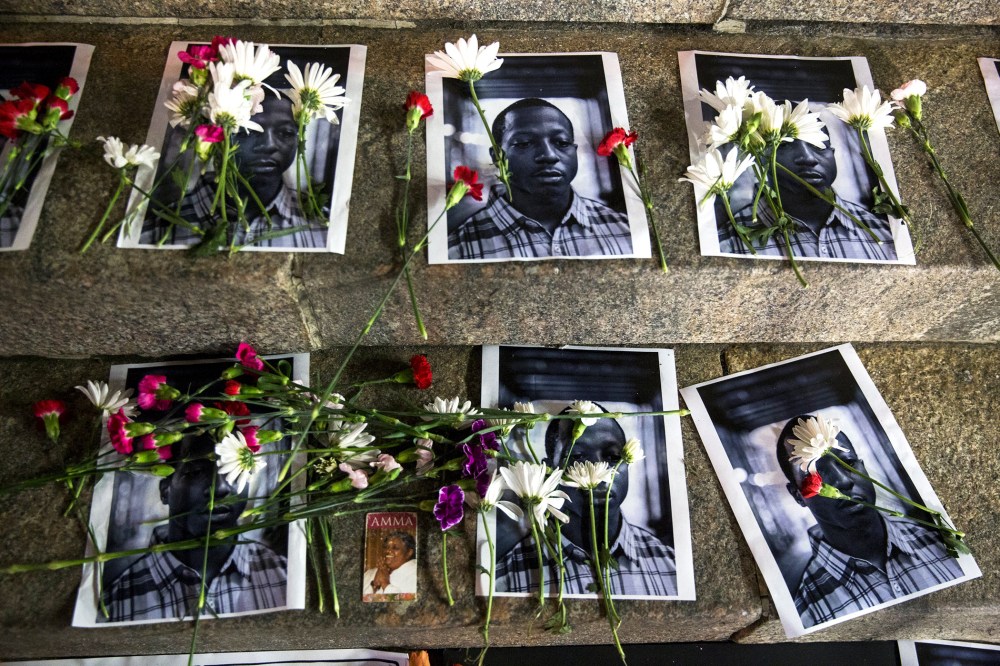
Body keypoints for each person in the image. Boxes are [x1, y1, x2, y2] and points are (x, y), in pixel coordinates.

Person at [776, 415, 962, 628]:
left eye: (849, 464)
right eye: (816, 474)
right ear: (798, 495)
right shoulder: (806, 614)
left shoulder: (942, 542)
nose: (843, 481)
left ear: (862, 466)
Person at [103, 433, 287, 622]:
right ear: (165, 491)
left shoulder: (285, 577)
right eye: (196, 472)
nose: (221, 488)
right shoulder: (114, 607)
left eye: (236, 469)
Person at [495, 405, 677, 596]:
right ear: (548, 471)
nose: (599, 470)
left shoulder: (670, 565)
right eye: (578, 456)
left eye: (614, 457)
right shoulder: (504, 579)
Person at [448, 98, 634, 260]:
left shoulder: (625, 229)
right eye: (524, 143)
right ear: (497, 157)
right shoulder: (457, 250)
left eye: (562, 143)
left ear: (574, 151)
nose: (548, 155)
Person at [140, 94, 327, 249]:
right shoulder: (155, 229)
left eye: (285, 133)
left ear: (298, 139)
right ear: (216, 138)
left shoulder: (323, 226)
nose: (269, 145)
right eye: (247, 132)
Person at [720, 138, 898, 261]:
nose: (808, 158)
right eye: (784, 145)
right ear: (760, 158)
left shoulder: (885, 232)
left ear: (832, 154)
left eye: (818, 145)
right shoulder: (728, 243)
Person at [362, 531, 417, 599]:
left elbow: (408, 604)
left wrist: (385, 584)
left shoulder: (416, 574)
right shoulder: (370, 573)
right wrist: (375, 585)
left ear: (409, 552)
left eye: (395, 548)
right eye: (386, 547)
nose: (388, 551)